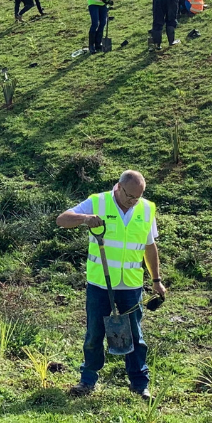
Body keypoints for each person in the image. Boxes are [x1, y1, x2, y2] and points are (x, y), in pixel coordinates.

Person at [56, 170, 167, 398]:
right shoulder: (98, 202)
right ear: (118, 187)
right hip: (100, 285)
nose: (133, 201)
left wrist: (156, 280)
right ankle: (87, 380)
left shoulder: (146, 208)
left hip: (131, 285)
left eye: (138, 197)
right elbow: (62, 219)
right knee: (94, 333)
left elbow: (149, 246)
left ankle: (139, 384)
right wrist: (86, 219)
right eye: (129, 196)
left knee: (136, 336)